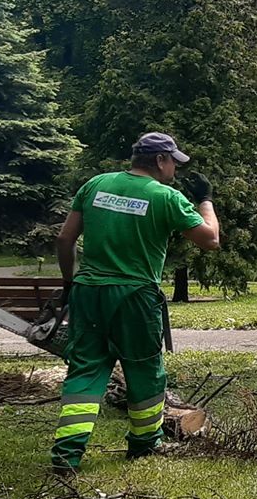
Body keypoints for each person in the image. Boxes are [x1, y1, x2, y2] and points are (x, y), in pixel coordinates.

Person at [49, 132, 220, 471]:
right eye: (173, 161)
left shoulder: (95, 185)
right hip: (134, 295)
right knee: (144, 368)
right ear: (159, 160)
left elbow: (65, 238)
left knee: (85, 368)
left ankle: (66, 454)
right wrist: (206, 201)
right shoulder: (166, 197)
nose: (175, 169)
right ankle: (143, 445)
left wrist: (70, 282)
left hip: (88, 291)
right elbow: (210, 239)